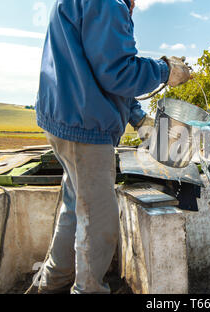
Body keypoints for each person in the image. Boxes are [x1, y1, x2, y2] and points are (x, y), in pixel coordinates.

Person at [35, 0, 190, 294]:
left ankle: (52, 283)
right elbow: (118, 72)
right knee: (98, 222)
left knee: (75, 208)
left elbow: (101, 71)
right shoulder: (106, 2)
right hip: (85, 128)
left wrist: (139, 118)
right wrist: (165, 71)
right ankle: (88, 289)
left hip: (67, 120)